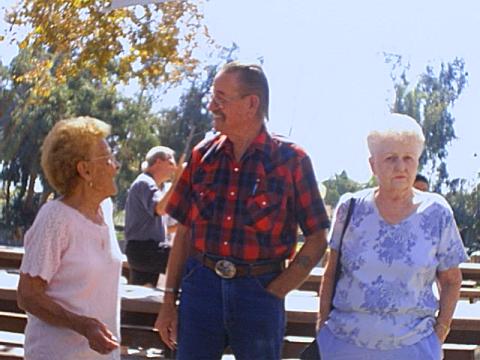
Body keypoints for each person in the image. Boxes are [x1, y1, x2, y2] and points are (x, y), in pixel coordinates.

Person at [155, 61, 330, 359]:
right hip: (200, 288)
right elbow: (182, 231)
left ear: (251, 104)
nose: (211, 106)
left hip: (259, 291)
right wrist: (169, 300)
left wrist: (277, 290)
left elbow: (317, 237)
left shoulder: (292, 160)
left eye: (221, 98)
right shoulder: (202, 156)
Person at [316, 113, 468, 359]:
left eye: (408, 158)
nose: (401, 167)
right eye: (390, 158)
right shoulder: (349, 207)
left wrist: (439, 332)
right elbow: (330, 272)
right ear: (372, 164)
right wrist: (322, 330)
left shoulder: (437, 212)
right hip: (344, 343)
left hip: (413, 346)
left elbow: (451, 280)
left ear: (417, 161)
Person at [17, 116, 122, 359]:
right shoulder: (55, 218)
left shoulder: (105, 209)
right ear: (85, 170)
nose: (115, 166)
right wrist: (82, 325)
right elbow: (28, 295)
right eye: (107, 159)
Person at [124, 146, 178, 286]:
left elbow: (163, 226)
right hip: (145, 250)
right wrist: (177, 182)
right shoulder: (145, 183)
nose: (175, 168)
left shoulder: (151, 185)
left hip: (143, 251)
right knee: (185, 259)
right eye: (171, 163)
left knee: (142, 295)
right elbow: (160, 209)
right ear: (158, 162)